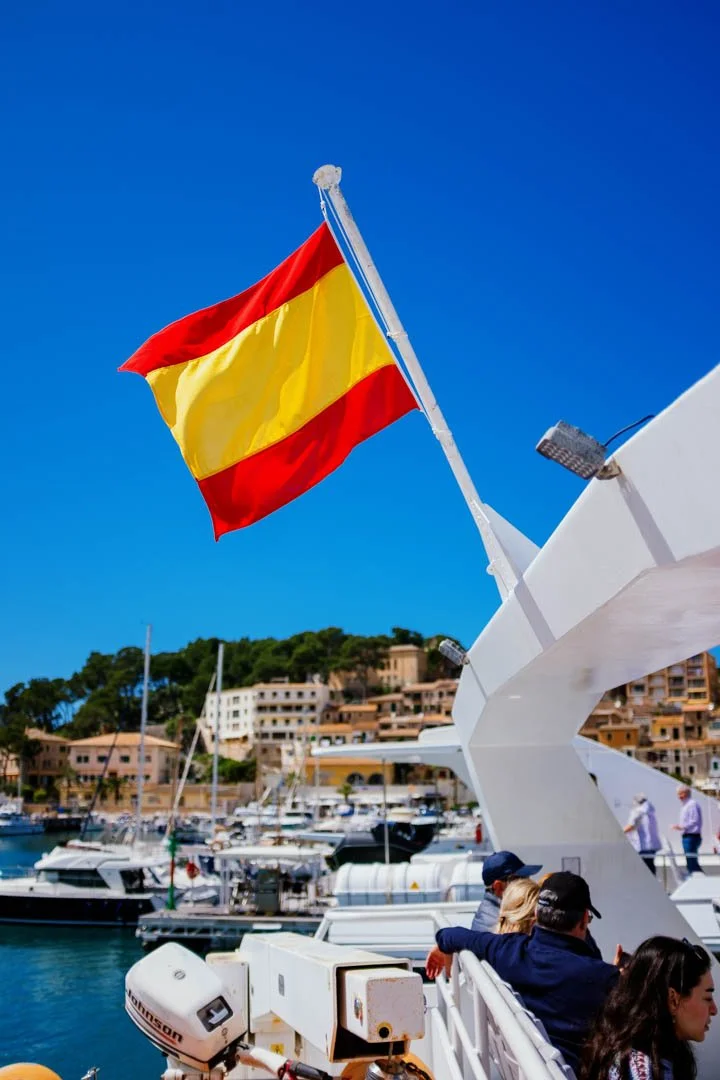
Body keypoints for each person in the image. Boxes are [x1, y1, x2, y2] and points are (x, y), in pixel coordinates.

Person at [426, 871, 620, 1072]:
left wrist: (441, 946)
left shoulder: (508, 951)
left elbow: (451, 934)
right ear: (583, 921)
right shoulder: (603, 979)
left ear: (537, 914)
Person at [580, 936, 716, 1080]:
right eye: (707, 998)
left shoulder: (649, 1054)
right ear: (673, 1000)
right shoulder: (640, 1071)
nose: (714, 1010)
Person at [471, 850, 542, 931]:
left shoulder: (495, 914)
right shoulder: (495, 924)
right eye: (521, 880)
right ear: (499, 887)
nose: (528, 883)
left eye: (527, 877)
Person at [624, 794, 661, 875]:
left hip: (642, 845)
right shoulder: (650, 812)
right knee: (650, 866)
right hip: (651, 845)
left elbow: (631, 825)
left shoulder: (638, 812)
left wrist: (621, 833)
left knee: (644, 868)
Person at [671, 786, 703, 875]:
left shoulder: (692, 804)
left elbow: (694, 820)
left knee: (691, 863)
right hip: (688, 837)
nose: (678, 796)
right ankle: (699, 880)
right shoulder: (686, 805)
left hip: (691, 837)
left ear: (685, 793)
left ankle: (699, 881)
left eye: (680, 794)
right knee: (691, 862)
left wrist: (681, 827)